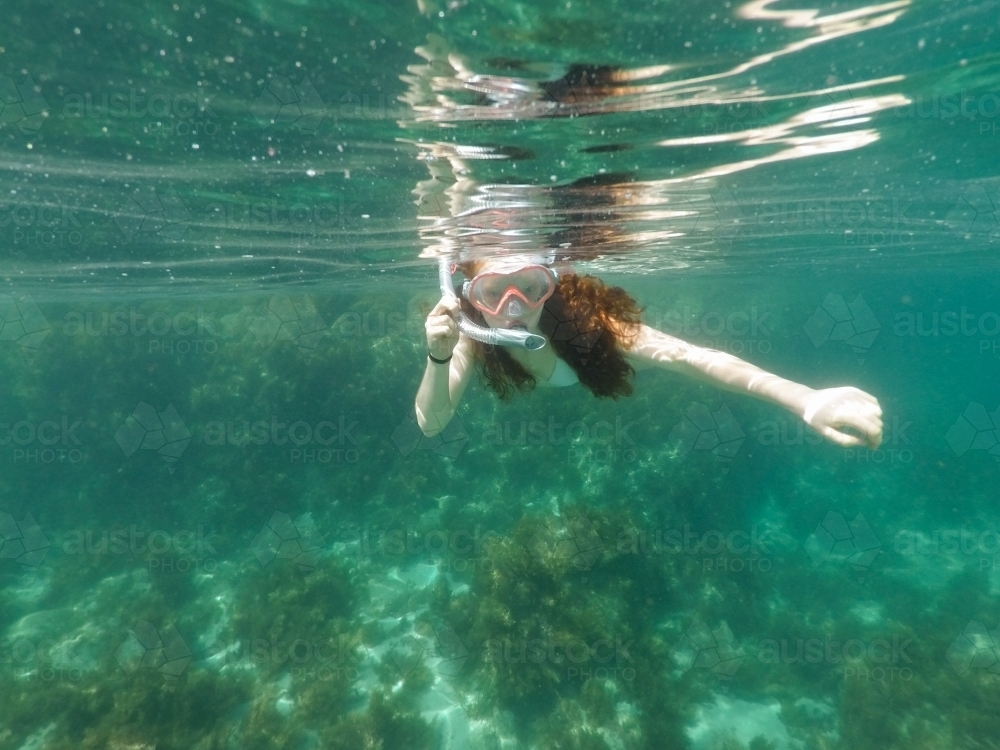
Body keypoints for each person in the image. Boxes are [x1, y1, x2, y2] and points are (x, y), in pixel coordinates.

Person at [414, 253, 883, 449]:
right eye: (493, 291)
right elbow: (431, 424)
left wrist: (804, 399)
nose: (512, 307)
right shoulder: (468, 333)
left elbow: (688, 356)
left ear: (549, 286)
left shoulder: (584, 322)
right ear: (469, 295)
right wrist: (439, 355)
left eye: (530, 287)